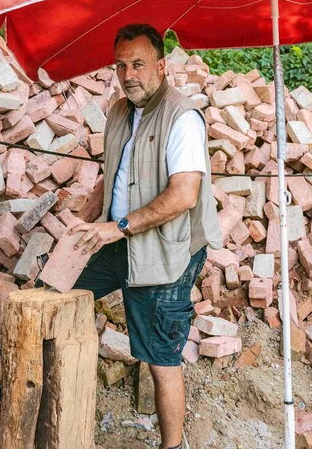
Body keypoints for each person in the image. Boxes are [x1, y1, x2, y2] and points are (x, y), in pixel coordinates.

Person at [68, 23, 222, 449]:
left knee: (160, 357)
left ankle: (173, 446)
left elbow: (184, 195)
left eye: (138, 64)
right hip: (118, 238)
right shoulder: (120, 111)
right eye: (120, 65)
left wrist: (116, 227)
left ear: (161, 65)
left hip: (166, 250)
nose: (128, 74)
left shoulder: (182, 116)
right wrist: (84, 218)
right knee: (58, 293)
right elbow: (113, 173)